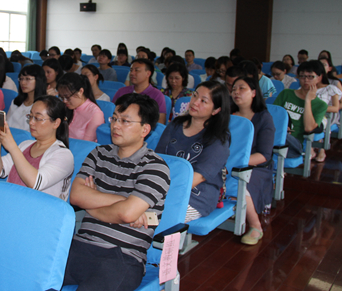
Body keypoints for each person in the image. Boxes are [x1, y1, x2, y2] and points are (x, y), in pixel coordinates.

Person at [63, 93, 170, 291]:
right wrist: (123, 200)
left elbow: (126, 213)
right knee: (32, 277)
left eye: (125, 121)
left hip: (122, 257)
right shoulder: (98, 154)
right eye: (114, 118)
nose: (115, 125)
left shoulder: (156, 167)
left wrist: (93, 204)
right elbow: (76, 196)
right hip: (79, 245)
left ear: (144, 129)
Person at [156, 81, 230, 222]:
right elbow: (158, 158)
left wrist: (159, 193)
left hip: (197, 197)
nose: (195, 102)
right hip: (164, 187)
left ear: (215, 110)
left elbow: (198, 177)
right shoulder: (176, 124)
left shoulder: (218, 138)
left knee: (158, 218)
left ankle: (170, 243)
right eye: (195, 96)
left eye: (203, 101)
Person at [0, 95, 74, 200]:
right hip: (12, 202)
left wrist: (12, 147)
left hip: (39, 211)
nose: (31, 122)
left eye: (38, 118)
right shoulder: (25, 145)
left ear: (56, 123)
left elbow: (35, 183)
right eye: (30, 116)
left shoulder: (63, 155)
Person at [230, 76, 275, 245]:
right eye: (234, 89)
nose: (236, 92)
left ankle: (256, 226)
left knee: (240, 181)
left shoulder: (264, 118)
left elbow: (264, 155)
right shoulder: (228, 115)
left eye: (242, 88)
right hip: (228, 163)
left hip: (256, 166)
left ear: (254, 93)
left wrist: (236, 162)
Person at [273, 60, 328, 159]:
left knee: (280, 135)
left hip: (294, 145)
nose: (306, 80)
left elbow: (309, 128)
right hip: (275, 137)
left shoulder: (321, 105)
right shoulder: (286, 93)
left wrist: (308, 100)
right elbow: (272, 116)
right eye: (302, 76)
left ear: (319, 78)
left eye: (310, 76)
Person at [115, 59, 167, 124]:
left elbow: (160, 122)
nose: (132, 73)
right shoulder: (122, 91)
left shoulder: (157, 95)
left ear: (148, 74)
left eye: (136, 70)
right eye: (131, 70)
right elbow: (112, 114)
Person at [57, 73, 104, 142]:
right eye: (61, 97)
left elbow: (86, 145)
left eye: (67, 97)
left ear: (80, 91)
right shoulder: (67, 107)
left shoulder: (95, 114)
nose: (64, 101)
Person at [312, 61, 342, 162]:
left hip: (324, 116)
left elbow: (335, 108)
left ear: (320, 76)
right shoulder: (305, 89)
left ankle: (319, 149)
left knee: (315, 122)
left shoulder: (330, 88)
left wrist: (317, 108)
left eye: (312, 76)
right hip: (305, 115)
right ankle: (308, 148)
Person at [6, 64, 47, 130]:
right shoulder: (16, 101)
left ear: (38, 80)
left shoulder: (43, 105)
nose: (23, 83)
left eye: (28, 79)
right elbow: (6, 124)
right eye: (21, 79)